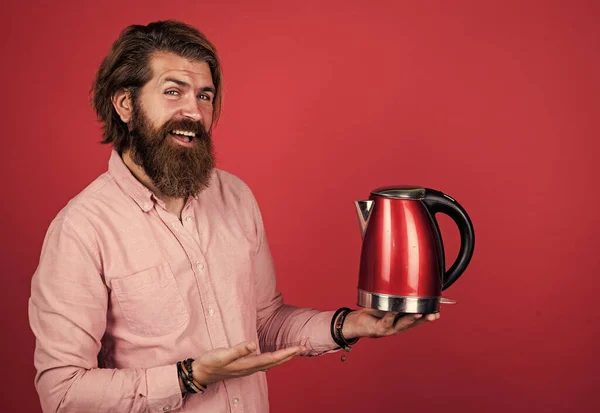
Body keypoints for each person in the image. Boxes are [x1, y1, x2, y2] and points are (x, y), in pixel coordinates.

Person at [28, 20, 439, 413]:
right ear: (125, 104)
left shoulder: (235, 196)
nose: (194, 111)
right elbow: (62, 393)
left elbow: (264, 322)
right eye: (174, 92)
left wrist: (349, 325)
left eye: (204, 95)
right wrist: (190, 377)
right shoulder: (81, 229)